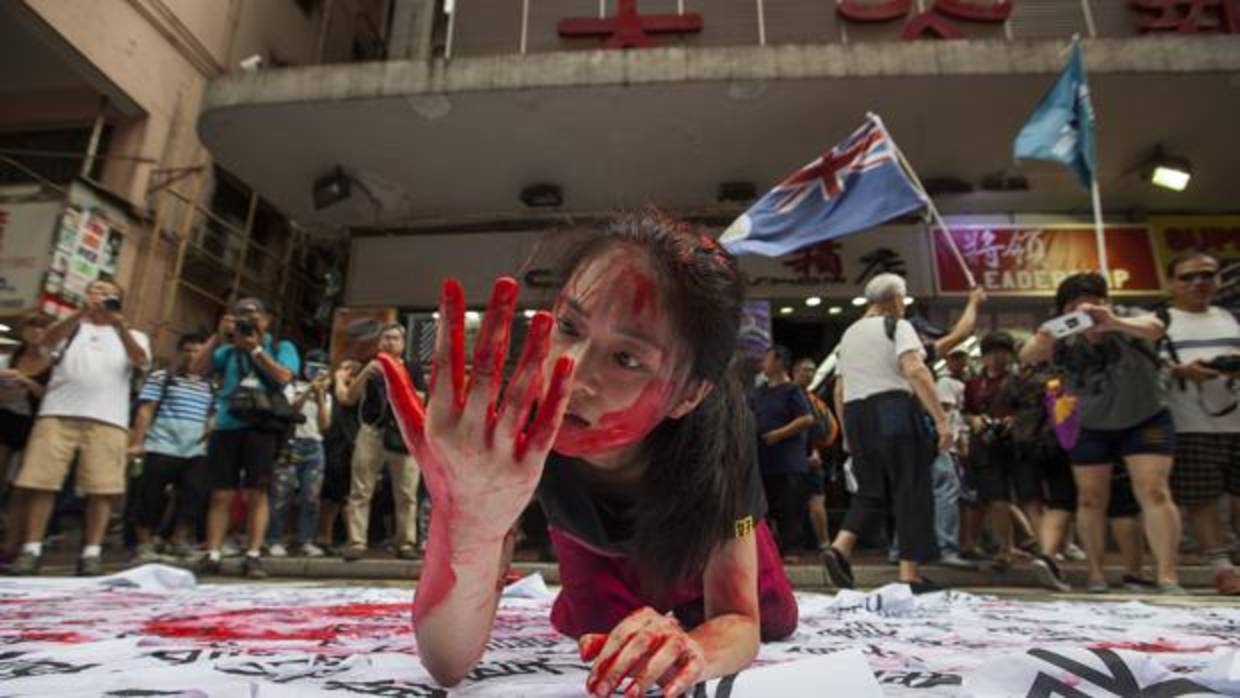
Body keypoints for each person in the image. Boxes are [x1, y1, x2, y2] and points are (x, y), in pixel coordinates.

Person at [375, 213, 796, 696]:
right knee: (595, 629)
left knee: (776, 618)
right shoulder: (513, 429)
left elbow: (738, 618)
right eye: (569, 327)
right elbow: (447, 663)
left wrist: (696, 649)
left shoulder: (719, 430)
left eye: (626, 358)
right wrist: (467, 525)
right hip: (591, 541)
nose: (570, 372)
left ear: (689, 396)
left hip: (715, 535)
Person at [1020, 272, 1183, 594]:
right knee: (1091, 498)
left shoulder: (1130, 318)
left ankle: (1167, 575)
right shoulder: (1060, 335)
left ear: (1106, 302)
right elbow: (1027, 356)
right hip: (1089, 425)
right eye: (1075, 306)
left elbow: (1157, 328)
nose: (1086, 311)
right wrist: (1044, 337)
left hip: (1145, 417)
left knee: (1154, 491)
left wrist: (1114, 323)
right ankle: (1096, 573)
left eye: (1094, 302)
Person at [8, 278, 150, 576]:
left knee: (102, 488)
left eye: (108, 293)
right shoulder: (71, 329)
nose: (100, 296)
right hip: (57, 414)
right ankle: (31, 548)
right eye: (95, 290)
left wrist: (119, 325)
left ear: (119, 301)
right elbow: (46, 341)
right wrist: (78, 314)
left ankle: (91, 552)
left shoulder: (134, 334)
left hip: (108, 418)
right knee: (41, 482)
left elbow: (140, 360)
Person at [822, 273, 953, 593]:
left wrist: (848, 434)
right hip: (893, 407)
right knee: (911, 486)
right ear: (895, 299)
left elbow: (840, 388)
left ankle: (840, 547)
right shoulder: (898, 326)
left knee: (870, 488)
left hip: (856, 415)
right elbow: (915, 370)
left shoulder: (848, 334)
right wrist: (940, 420)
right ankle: (910, 574)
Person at [191, 298, 299, 579]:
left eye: (253, 316)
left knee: (257, 492)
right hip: (227, 424)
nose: (248, 321)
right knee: (221, 493)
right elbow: (197, 369)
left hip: (262, 427)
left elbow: (285, 376)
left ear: (266, 321)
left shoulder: (280, 347)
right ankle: (213, 552)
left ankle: (253, 554)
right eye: (241, 316)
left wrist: (256, 350)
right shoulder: (227, 350)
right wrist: (217, 335)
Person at [1158, 251, 1240, 595]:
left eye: (1207, 275)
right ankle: (1221, 566)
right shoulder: (1159, 322)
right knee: (1201, 498)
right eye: (1188, 277)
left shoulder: (1232, 318)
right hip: (1189, 421)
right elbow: (1149, 368)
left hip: (1236, 417)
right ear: (1172, 283)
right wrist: (1180, 371)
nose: (1198, 283)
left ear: (1218, 280)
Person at [339, 324, 426, 561]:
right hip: (372, 431)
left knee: (407, 491)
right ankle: (356, 542)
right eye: (385, 338)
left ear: (403, 343)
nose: (390, 342)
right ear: (379, 343)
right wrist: (367, 371)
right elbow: (349, 397)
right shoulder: (371, 366)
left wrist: (398, 379)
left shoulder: (412, 367)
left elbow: (423, 397)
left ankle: (406, 542)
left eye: (395, 338)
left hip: (404, 432)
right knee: (361, 489)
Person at [127, 333, 214, 562]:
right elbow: (146, 409)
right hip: (162, 444)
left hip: (195, 449)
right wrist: (138, 441)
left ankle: (178, 540)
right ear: (179, 352)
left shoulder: (210, 384)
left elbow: (211, 414)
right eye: (188, 350)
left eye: (198, 351)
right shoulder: (162, 377)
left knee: (193, 496)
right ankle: (144, 543)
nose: (193, 355)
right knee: (150, 495)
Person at [964, 331, 1045, 571]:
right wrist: (975, 420)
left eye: (1002, 353)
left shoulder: (1021, 380)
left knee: (1030, 498)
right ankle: (1005, 549)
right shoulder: (974, 384)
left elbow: (1034, 409)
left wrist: (1016, 420)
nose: (996, 358)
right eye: (991, 353)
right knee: (997, 499)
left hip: (1018, 444)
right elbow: (966, 411)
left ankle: (1046, 551)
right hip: (987, 446)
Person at [265, 349, 333, 557]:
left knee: (311, 496)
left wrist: (320, 396)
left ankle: (306, 540)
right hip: (291, 445)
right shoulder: (292, 387)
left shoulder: (327, 395)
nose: (317, 373)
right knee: (281, 494)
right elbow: (291, 410)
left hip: (315, 446)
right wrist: (308, 391)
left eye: (322, 370)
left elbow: (325, 425)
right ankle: (274, 539)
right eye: (313, 368)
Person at [751, 346, 815, 558]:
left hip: (788, 461)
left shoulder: (792, 390)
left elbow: (806, 419)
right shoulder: (759, 392)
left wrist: (779, 434)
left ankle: (792, 549)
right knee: (763, 508)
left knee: (790, 507)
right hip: (763, 460)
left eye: (767, 359)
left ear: (779, 362)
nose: (763, 363)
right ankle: (766, 549)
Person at [0, 313, 54, 564]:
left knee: (22, 486)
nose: (36, 333)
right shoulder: (9, 357)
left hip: (34, 425)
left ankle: (13, 542)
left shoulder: (54, 364)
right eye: (32, 327)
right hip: (5, 418)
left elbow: (51, 396)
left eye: (42, 328)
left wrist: (27, 383)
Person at [317, 359, 361, 554]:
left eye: (349, 369)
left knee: (348, 497)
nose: (343, 372)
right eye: (342, 368)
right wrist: (320, 393)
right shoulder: (329, 394)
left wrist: (340, 380)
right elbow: (324, 424)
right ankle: (324, 538)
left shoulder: (358, 391)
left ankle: (354, 539)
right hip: (332, 445)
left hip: (352, 445)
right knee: (329, 497)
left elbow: (345, 398)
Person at [793, 357, 836, 553]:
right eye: (805, 370)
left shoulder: (811, 398)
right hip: (794, 456)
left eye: (812, 370)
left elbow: (817, 429)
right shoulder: (794, 396)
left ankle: (822, 542)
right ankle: (799, 545)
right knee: (796, 503)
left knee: (815, 499)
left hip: (811, 455)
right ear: (795, 371)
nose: (809, 374)